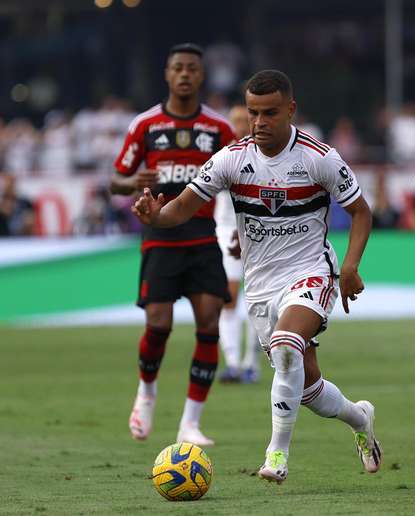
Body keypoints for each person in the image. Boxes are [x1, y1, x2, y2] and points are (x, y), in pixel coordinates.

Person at [131, 69, 381, 483]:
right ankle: (360, 419)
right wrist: (157, 215)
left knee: (286, 347)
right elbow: (184, 205)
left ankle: (276, 456)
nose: (260, 122)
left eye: (270, 113)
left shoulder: (319, 157)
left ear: (290, 110)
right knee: (306, 387)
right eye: (253, 113)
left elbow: (361, 211)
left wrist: (350, 266)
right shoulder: (232, 158)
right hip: (261, 283)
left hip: (311, 271)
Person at [110, 43, 236, 446]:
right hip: (161, 238)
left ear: (201, 76)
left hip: (203, 237)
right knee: (158, 323)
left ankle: (190, 423)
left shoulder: (219, 129)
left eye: (192, 69)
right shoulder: (145, 125)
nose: (184, 75)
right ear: (167, 74)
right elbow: (117, 179)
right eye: (178, 68)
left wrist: (240, 226)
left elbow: (240, 177)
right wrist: (134, 183)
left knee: (210, 323)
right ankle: (146, 393)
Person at [214, 104, 262, 384]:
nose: (239, 126)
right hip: (226, 230)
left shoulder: (264, 156)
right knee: (229, 296)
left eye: (243, 120)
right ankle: (232, 362)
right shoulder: (223, 156)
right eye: (234, 121)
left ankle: (251, 363)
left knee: (257, 299)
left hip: (258, 232)